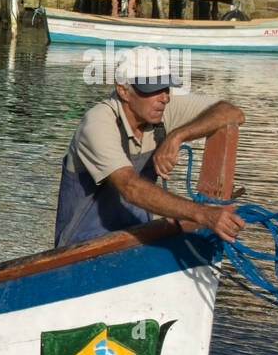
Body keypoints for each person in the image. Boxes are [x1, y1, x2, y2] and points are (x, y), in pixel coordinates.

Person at [54, 72, 247, 248]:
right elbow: (130, 188)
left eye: (165, 88)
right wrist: (204, 215)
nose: (164, 98)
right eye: (152, 90)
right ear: (123, 90)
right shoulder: (97, 124)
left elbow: (232, 113)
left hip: (135, 239)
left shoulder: (160, 108)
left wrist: (177, 136)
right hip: (81, 247)